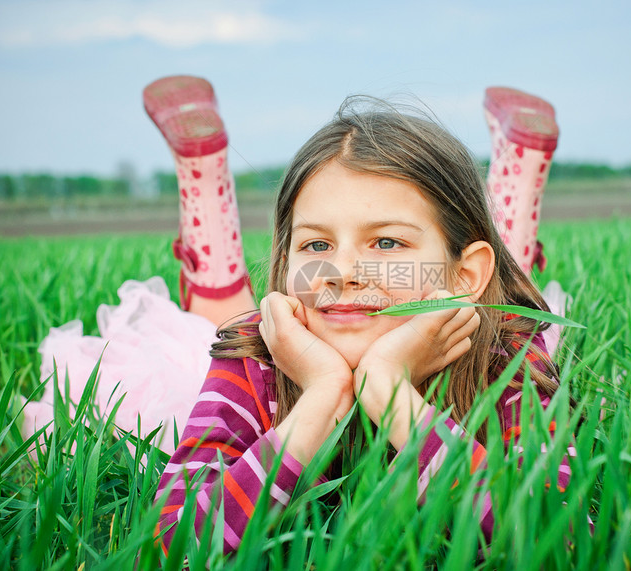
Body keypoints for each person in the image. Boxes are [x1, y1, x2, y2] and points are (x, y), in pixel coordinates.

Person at [145, 76, 572, 554]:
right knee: (215, 315)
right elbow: (170, 548)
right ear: (285, 261)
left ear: (466, 272)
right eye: (316, 244)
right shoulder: (255, 354)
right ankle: (205, 200)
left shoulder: (508, 350)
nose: (342, 272)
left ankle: (515, 188)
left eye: (387, 242)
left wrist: (389, 390)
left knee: (504, 289)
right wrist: (322, 398)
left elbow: (557, 539)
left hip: (475, 300)